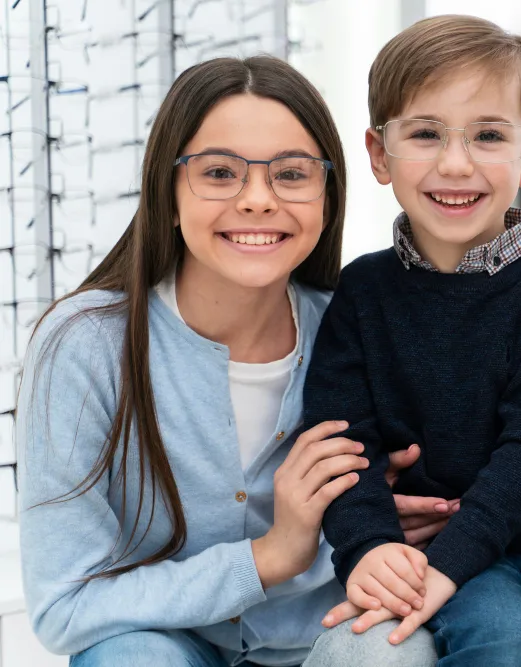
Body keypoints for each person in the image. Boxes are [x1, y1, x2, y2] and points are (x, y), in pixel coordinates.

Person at [16, 55, 450, 666]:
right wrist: (273, 555)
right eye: (219, 172)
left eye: (292, 175)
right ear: (165, 193)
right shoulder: (84, 345)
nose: (257, 201)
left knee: (392, 654)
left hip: (325, 635)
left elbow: (426, 494)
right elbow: (66, 606)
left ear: (327, 195)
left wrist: (368, 521)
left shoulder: (362, 326)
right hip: (163, 643)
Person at [303, 15, 521, 667]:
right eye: (425, 134)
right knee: (498, 633)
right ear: (377, 153)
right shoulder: (361, 292)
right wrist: (367, 546)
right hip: (431, 564)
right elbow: (343, 443)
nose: (456, 162)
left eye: (487, 135)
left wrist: (446, 565)